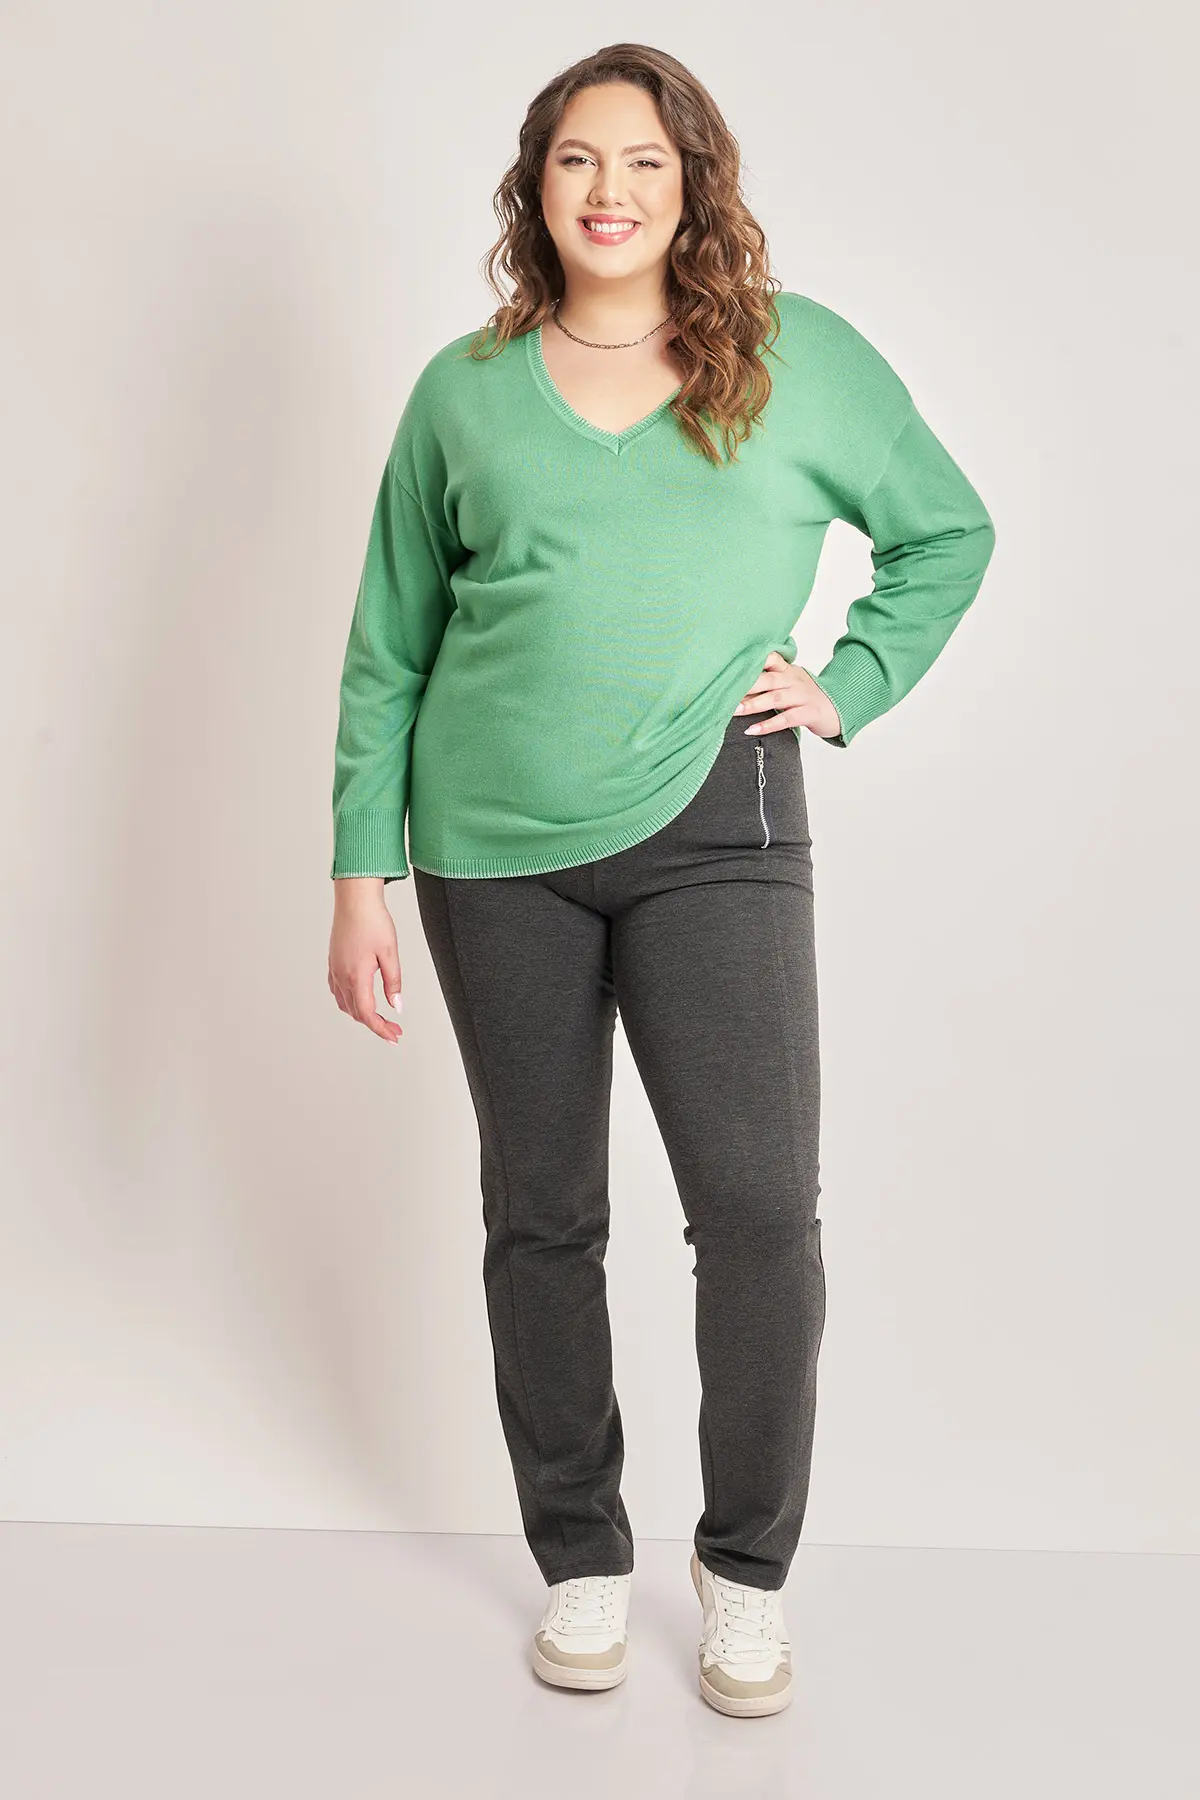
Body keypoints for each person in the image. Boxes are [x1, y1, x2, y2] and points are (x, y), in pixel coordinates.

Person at [326, 43, 995, 1719]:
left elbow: (947, 530)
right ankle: (580, 1554)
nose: (609, 190)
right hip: (488, 850)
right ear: (534, 186)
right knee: (541, 1214)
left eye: (643, 160)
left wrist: (850, 680)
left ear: (694, 184)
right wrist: (359, 872)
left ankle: (746, 1572)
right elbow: (389, 646)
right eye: (577, 159)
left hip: (720, 830)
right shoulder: (462, 392)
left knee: (760, 1213)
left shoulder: (793, 360)